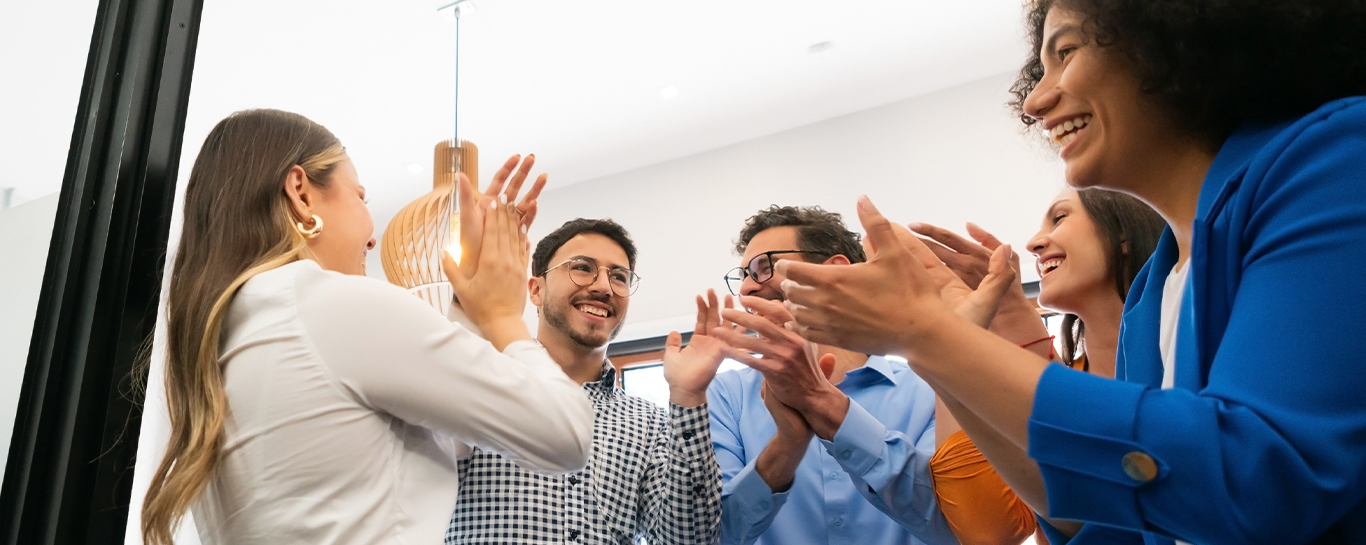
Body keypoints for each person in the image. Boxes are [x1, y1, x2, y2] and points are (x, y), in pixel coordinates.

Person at [773, 0, 1366, 542]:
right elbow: (1101, 517)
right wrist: (936, 349)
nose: (1034, 101)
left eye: (1066, 52)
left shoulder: (1337, 158)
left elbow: (1257, 480)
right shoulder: (1152, 292)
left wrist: (930, 334)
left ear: (1176, 35)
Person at [140, 109, 595, 545]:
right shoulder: (330, 305)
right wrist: (500, 316)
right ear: (301, 193)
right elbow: (566, 435)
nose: (373, 237)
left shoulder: (224, 335)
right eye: (360, 196)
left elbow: (440, 438)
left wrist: (468, 304)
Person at [446, 218, 725, 545]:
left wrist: (689, 396)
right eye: (582, 268)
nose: (604, 287)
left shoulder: (651, 424)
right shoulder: (486, 385)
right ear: (536, 290)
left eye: (619, 276)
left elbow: (689, 540)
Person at [913, 188, 1163, 544]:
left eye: (1059, 218)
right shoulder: (1052, 377)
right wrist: (961, 332)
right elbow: (986, 529)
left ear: (1123, 231)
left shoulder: (1187, 354)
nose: (1033, 244)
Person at [703, 205, 959, 545]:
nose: (746, 289)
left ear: (834, 272)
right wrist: (785, 449)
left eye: (764, 268)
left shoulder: (932, 390)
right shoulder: (726, 396)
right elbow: (710, 536)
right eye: (744, 276)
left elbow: (955, 526)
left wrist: (828, 410)